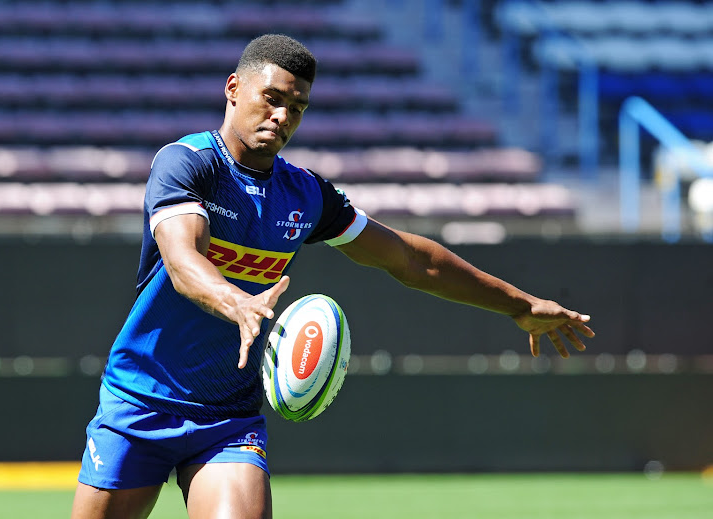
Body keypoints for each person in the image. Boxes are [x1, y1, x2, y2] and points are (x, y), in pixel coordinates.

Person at [70, 34, 594, 519]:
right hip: (141, 399)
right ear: (233, 89)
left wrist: (519, 306)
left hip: (226, 415)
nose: (281, 116)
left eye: (296, 108)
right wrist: (238, 303)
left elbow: (412, 260)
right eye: (271, 98)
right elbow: (183, 259)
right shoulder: (187, 164)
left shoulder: (306, 195)